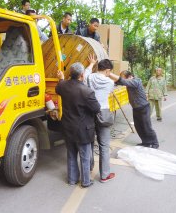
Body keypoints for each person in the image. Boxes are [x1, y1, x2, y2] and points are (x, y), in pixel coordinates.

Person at [55, 63, 101, 188]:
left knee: (71, 154)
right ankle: (86, 181)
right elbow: (97, 109)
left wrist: (61, 78)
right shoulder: (87, 91)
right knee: (85, 156)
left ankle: (72, 179)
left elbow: (59, 87)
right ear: (82, 75)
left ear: (70, 73)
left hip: (68, 127)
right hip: (83, 130)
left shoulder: (63, 86)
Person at [84, 55, 116, 183]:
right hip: (103, 113)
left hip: (89, 112)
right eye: (110, 72)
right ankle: (104, 175)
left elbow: (85, 73)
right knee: (104, 145)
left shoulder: (90, 78)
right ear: (107, 71)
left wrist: (91, 63)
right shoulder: (110, 82)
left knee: (89, 142)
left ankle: (89, 168)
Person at [110, 70, 159, 149]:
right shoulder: (129, 81)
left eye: (124, 78)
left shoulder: (136, 81)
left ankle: (155, 143)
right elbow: (119, 82)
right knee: (138, 126)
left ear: (129, 77)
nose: (123, 81)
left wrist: (110, 73)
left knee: (146, 126)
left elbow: (123, 81)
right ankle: (145, 142)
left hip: (143, 108)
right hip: (136, 108)